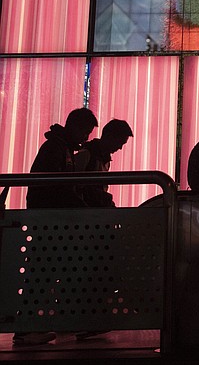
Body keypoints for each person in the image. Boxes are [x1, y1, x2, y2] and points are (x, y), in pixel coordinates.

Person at [16, 108, 98, 346]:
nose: (86, 138)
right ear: (75, 126)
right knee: (42, 272)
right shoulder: (57, 150)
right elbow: (59, 187)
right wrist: (81, 208)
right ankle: (26, 328)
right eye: (85, 131)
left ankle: (28, 327)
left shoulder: (58, 147)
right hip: (49, 221)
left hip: (47, 219)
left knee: (43, 272)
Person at [76, 119, 134, 207]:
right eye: (119, 143)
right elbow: (76, 188)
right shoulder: (87, 155)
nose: (120, 147)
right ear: (109, 136)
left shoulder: (102, 158)